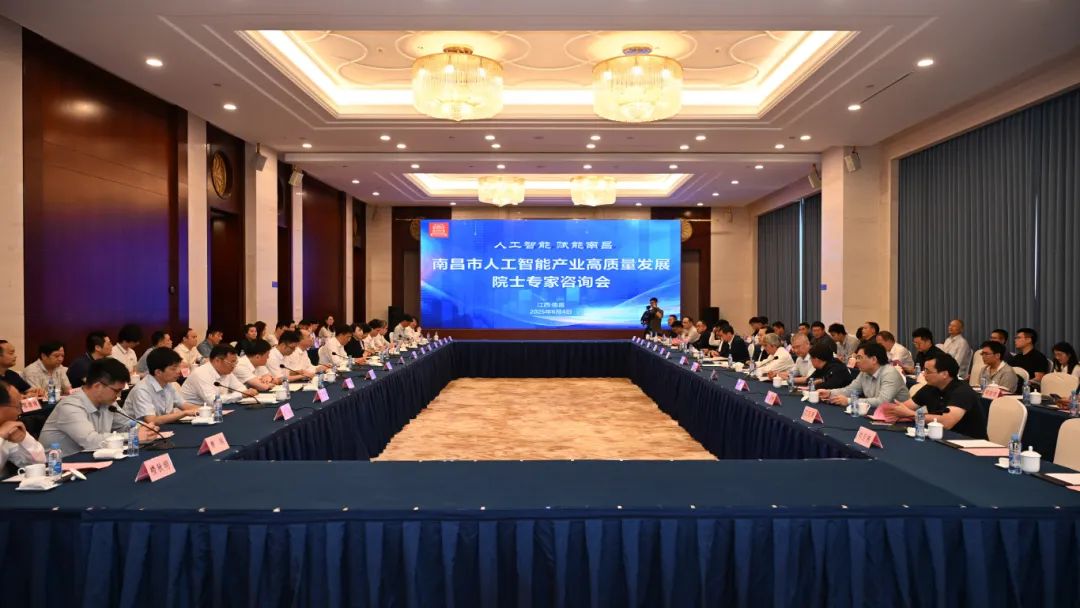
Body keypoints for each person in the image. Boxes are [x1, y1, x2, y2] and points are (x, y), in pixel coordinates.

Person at [38, 358, 157, 457]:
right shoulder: (70, 407)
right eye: (116, 391)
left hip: (89, 460)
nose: (119, 395)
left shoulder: (108, 403)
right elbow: (91, 441)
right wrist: (132, 436)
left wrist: (144, 428)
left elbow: (126, 424)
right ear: (97, 386)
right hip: (57, 468)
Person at [880, 353, 986, 439]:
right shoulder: (931, 387)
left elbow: (947, 422)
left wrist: (911, 414)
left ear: (944, 374)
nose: (923, 374)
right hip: (940, 437)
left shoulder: (962, 392)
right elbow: (906, 406)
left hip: (969, 442)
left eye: (928, 371)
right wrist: (897, 410)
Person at [123, 348, 200, 426]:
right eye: (173, 368)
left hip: (163, 427)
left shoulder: (167, 384)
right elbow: (152, 420)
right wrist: (184, 413)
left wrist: (205, 409)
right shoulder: (142, 390)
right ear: (158, 372)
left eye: (178, 367)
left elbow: (185, 405)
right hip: (137, 431)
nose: (178, 371)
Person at [819, 342, 910, 407]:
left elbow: (882, 402)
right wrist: (830, 393)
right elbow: (850, 390)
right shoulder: (864, 372)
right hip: (877, 413)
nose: (856, 361)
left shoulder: (889, 373)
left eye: (859, 358)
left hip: (900, 418)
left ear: (873, 360)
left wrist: (849, 401)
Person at [178, 345, 257, 406]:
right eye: (231, 362)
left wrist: (246, 392)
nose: (234, 366)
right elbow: (212, 400)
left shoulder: (226, 372)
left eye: (235, 362)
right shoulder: (201, 373)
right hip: (192, 415)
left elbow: (240, 388)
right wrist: (240, 395)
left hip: (214, 411)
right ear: (217, 361)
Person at [0, 379, 45, 475]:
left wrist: (24, 439)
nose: (20, 412)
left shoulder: (9, 427)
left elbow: (39, 462)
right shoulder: (4, 430)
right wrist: (1, 436)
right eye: (18, 407)